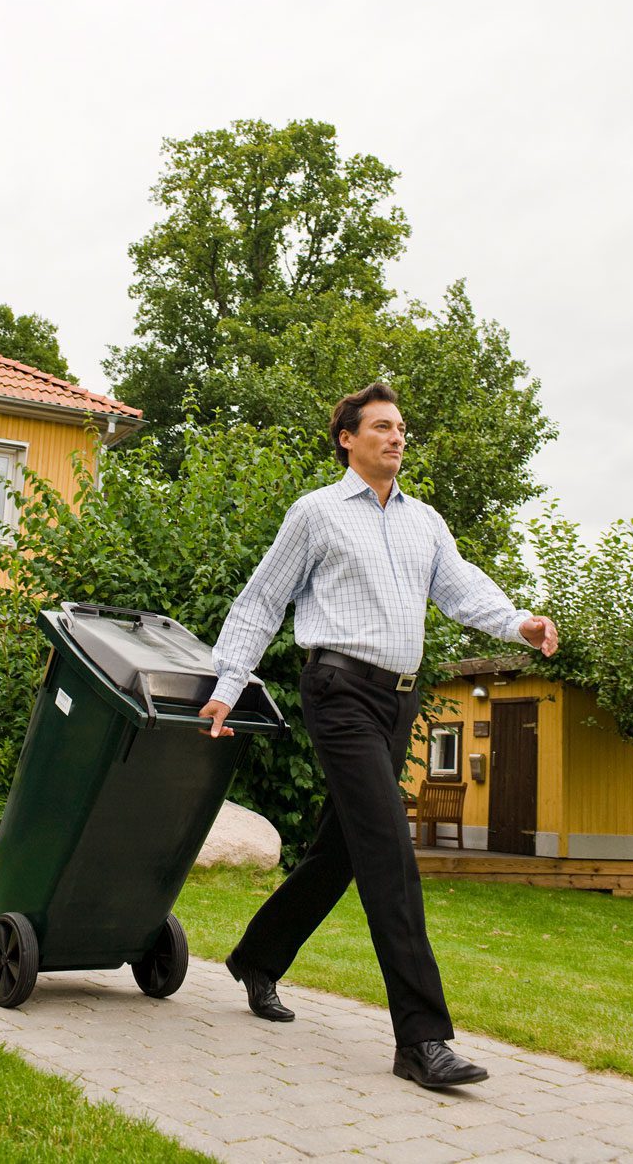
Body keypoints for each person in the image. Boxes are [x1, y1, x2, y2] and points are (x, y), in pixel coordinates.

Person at [198, 382, 558, 1089]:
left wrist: (519, 623)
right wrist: (225, 685)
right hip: (338, 693)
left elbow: (461, 589)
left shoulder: (424, 521)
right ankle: (422, 1040)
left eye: (401, 428)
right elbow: (262, 600)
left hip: (397, 702)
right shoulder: (318, 514)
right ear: (347, 438)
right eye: (382, 427)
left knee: (341, 851)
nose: (396, 437)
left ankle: (257, 959)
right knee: (391, 850)